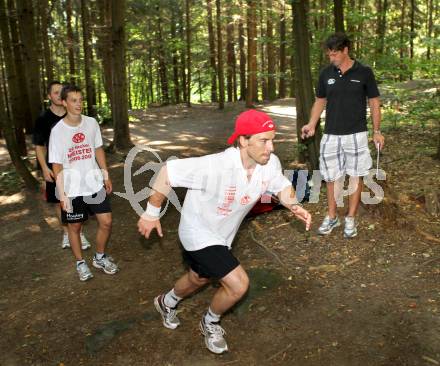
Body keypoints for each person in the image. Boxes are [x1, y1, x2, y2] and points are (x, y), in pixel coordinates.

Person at [138, 109, 312, 354]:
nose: (271, 147)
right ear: (243, 140)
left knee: (199, 277)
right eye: (264, 140)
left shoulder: (269, 163)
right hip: (197, 232)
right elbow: (168, 171)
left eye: (272, 139)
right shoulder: (216, 166)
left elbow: (281, 185)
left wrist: (294, 205)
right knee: (238, 284)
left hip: (223, 236)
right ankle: (210, 322)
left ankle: (166, 302)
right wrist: (151, 213)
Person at [301, 32, 385, 238]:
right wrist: (312, 123)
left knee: (356, 176)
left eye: (335, 54)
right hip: (331, 135)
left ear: (346, 50)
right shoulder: (326, 74)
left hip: (356, 134)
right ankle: (332, 216)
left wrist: (377, 131)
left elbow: (374, 102)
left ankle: (350, 219)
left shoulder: (364, 72)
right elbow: (320, 100)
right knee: (332, 178)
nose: (331, 59)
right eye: (329, 55)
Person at [49, 84, 119, 281]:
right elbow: (56, 165)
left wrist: (105, 174)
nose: (78, 104)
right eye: (73, 100)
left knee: (106, 222)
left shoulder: (91, 123)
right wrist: (62, 193)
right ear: (64, 102)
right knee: (75, 228)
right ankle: (80, 262)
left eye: (80, 100)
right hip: (72, 188)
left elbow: (97, 149)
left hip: (94, 184)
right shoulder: (57, 131)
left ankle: (99, 257)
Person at [33, 81, 90, 250]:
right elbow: (39, 146)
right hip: (53, 167)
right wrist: (44, 168)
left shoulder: (72, 115)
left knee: (77, 199)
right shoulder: (43, 119)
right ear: (49, 96)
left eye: (61, 92)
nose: (59, 95)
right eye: (56, 92)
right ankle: (67, 232)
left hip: (74, 166)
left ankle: (79, 232)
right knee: (59, 201)